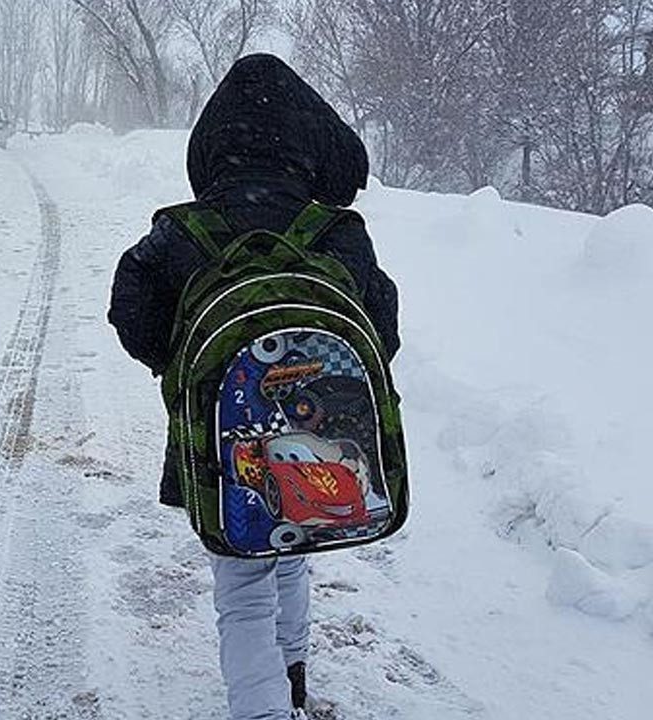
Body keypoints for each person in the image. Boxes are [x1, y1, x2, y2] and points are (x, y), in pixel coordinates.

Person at [107, 54, 401, 720]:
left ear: (214, 144)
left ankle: (261, 710)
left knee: (241, 583)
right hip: (318, 436)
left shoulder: (183, 231)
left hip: (221, 444)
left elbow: (130, 308)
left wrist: (184, 368)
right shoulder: (336, 233)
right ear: (306, 145)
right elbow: (382, 329)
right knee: (297, 546)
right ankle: (292, 679)